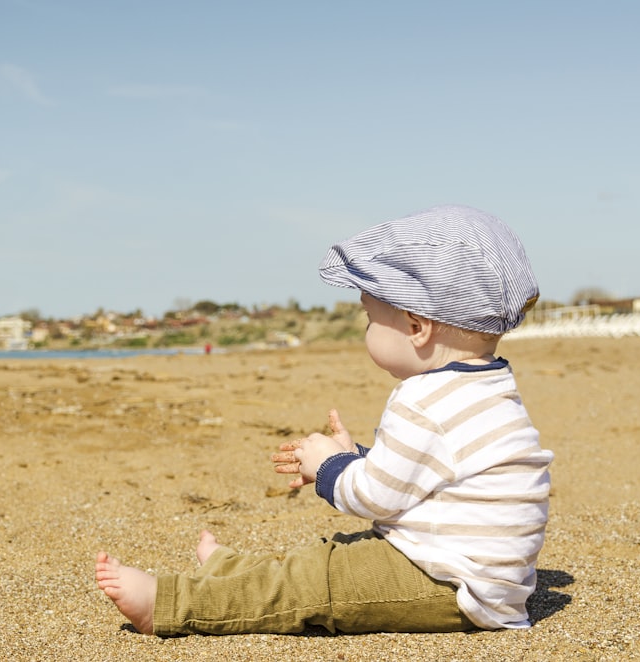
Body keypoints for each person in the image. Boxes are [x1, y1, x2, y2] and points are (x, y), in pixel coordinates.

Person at [95, 204, 554, 636]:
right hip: (482, 578)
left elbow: (376, 498)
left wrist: (329, 469)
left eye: (371, 319)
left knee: (318, 581)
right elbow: (427, 476)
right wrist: (356, 457)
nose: (367, 330)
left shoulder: (422, 398)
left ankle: (171, 604)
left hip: (450, 585)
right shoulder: (490, 386)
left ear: (417, 327)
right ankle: (230, 571)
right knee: (333, 554)